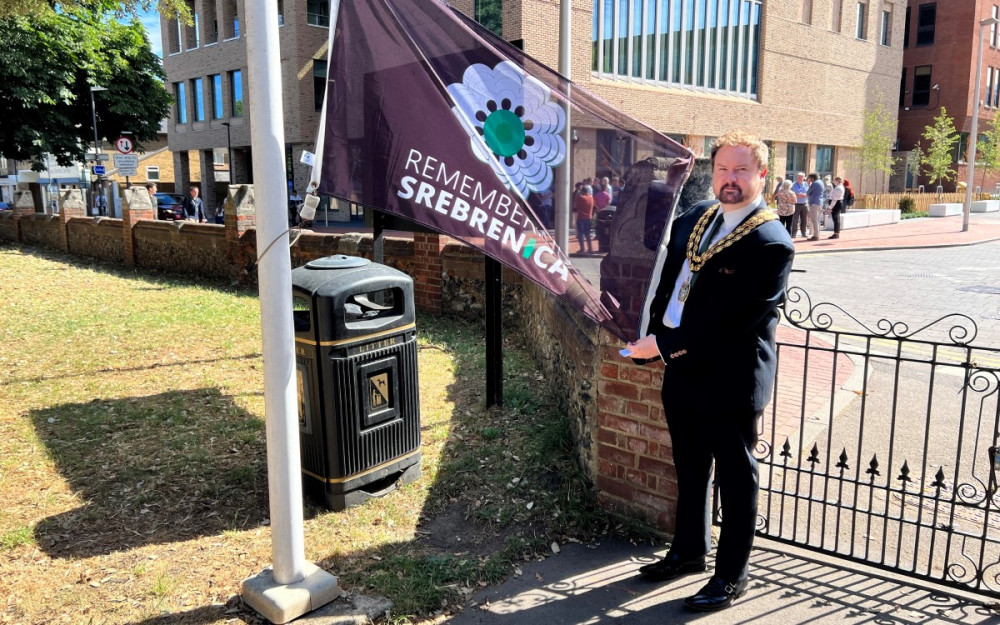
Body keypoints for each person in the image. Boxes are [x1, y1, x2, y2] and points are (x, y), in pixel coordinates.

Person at [624, 132, 794, 612]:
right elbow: (668, 276)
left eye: (742, 170)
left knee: (737, 480)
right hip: (682, 369)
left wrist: (665, 344)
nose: (730, 179)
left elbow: (734, 323)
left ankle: (732, 576)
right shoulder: (698, 216)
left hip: (730, 379)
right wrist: (654, 333)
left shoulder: (770, 242)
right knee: (690, 465)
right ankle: (688, 552)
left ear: (762, 175)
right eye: (723, 169)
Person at [573, 184, 594, 254]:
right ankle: (590, 248)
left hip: (581, 217)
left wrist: (578, 196)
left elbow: (576, 206)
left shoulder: (580, 198)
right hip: (589, 217)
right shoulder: (591, 198)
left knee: (581, 234)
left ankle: (582, 249)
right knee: (587, 234)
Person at [790, 172, 809, 238]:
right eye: (799, 177)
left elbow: (809, 193)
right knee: (795, 220)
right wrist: (797, 195)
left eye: (801, 177)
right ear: (796, 177)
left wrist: (805, 195)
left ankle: (803, 233)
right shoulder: (793, 184)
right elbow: (790, 193)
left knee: (804, 219)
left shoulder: (806, 184)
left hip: (804, 204)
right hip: (796, 204)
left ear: (804, 178)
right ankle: (794, 234)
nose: (800, 178)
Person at [806, 173, 824, 242]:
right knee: (817, 220)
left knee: (814, 220)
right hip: (818, 202)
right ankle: (816, 234)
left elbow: (808, 192)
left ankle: (816, 236)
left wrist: (808, 184)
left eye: (809, 178)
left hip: (814, 203)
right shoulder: (820, 182)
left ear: (812, 178)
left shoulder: (815, 183)